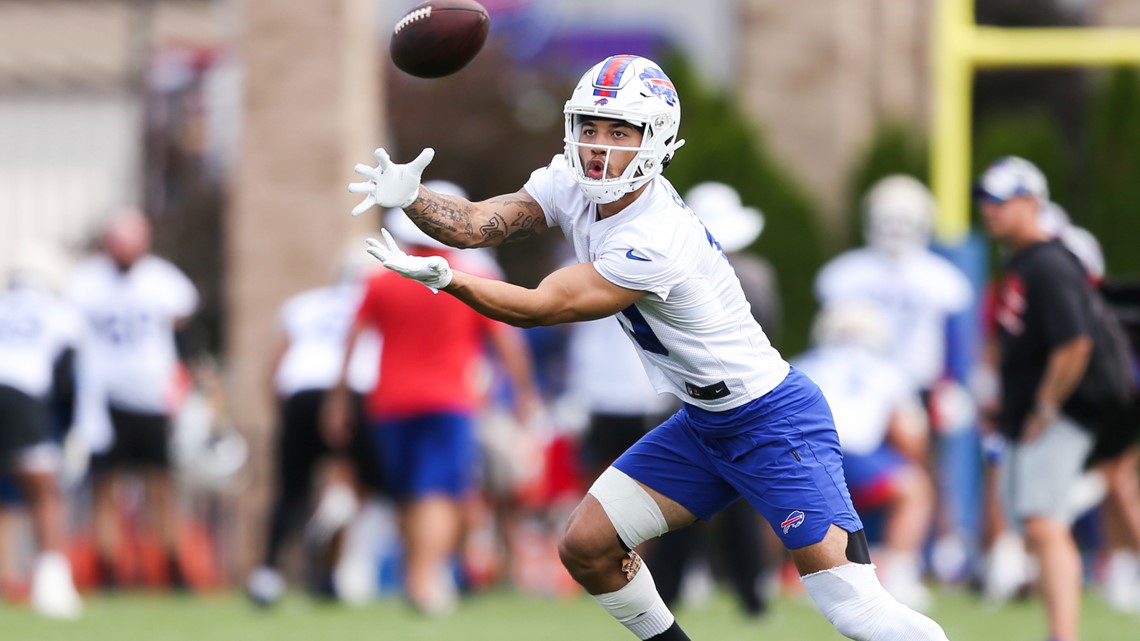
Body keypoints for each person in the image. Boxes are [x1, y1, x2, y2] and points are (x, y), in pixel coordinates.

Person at [347, 54, 951, 640]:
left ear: (657, 140)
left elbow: (544, 307)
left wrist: (451, 279)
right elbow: (481, 222)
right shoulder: (571, 182)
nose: (600, 147)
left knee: (857, 612)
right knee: (586, 547)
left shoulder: (656, 234)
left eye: (620, 131)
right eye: (590, 127)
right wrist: (412, 199)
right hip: (702, 422)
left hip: (771, 420)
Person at [326, 179, 541, 617]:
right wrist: (523, 395)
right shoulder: (469, 279)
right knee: (437, 491)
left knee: (409, 493)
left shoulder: (381, 281)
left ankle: (419, 576)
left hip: (389, 403)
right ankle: (424, 578)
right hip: (450, 402)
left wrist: (340, 399)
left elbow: (351, 341)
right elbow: (508, 344)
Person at [976, 155, 1108, 641]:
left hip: (1058, 414)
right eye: (985, 201)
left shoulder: (1049, 263)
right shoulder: (1022, 262)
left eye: (999, 201)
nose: (988, 210)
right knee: (1031, 521)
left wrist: (1046, 406)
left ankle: (1063, 635)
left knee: (1044, 523)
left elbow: (1075, 343)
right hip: (1029, 414)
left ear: (1031, 203)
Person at [644, 181, 776, 617]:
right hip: (740, 401)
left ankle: (670, 592)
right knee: (734, 503)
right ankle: (750, 593)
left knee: (680, 503)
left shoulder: (668, 272)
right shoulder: (755, 275)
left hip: (690, 399)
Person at [67, 208, 199, 590]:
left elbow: (181, 324)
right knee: (105, 486)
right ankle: (108, 569)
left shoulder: (160, 279)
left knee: (161, 484)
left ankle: (173, 567)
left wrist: (180, 381)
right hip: (104, 398)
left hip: (150, 395)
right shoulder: (87, 281)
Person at [246, 243, 382, 607]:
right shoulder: (376, 306)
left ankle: (269, 574)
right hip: (353, 393)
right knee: (369, 485)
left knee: (291, 489)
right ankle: (337, 563)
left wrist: (284, 413)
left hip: (300, 396)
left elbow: (275, 370)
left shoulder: (305, 305)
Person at [792, 300, 936, 611]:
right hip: (855, 456)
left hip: (802, 456)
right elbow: (910, 438)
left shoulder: (800, 365)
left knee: (773, 497)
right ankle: (899, 571)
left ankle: (782, 571)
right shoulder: (889, 371)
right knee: (914, 489)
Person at [0, 243, 84, 618]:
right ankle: (52, 586)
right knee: (45, 492)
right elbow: (67, 380)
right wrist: (65, 432)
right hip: (22, 398)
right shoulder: (62, 314)